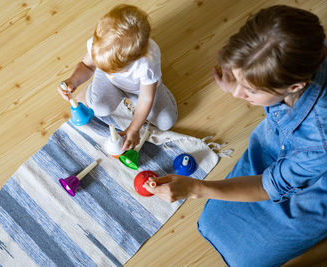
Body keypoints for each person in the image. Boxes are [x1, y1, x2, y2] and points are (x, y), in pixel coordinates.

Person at [144, 5, 327, 266]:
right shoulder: (303, 45)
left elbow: (265, 186)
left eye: (250, 91)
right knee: (212, 220)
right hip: (287, 148)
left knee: (245, 259)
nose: (239, 93)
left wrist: (197, 188)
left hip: (316, 181)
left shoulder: (319, 140)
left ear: (295, 86)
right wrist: (242, 83)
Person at [58, 4, 178, 151]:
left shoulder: (147, 62)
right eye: (101, 65)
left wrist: (134, 129)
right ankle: (89, 91)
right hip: (111, 82)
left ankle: (158, 87)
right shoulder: (100, 44)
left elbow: (146, 98)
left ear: (135, 59)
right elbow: (87, 66)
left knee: (167, 121)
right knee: (99, 107)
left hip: (141, 89)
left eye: (110, 68)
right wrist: (73, 80)